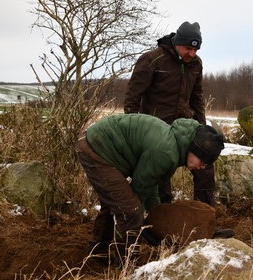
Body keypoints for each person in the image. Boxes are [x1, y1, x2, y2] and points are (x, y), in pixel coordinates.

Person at [75, 113, 224, 264]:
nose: (203, 166)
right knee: (130, 210)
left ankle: (97, 254)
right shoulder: (166, 152)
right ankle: (127, 264)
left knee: (117, 203)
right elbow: (139, 189)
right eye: (204, 161)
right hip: (96, 149)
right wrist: (144, 225)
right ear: (195, 150)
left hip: (96, 144)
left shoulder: (173, 146)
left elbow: (150, 183)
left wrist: (155, 217)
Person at [123, 21, 217, 206]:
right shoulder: (152, 60)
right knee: (160, 177)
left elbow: (197, 98)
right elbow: (132, 97)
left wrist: (203, 129)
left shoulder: (196, 63)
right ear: (177, 42)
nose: (192, 53)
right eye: (188, 48)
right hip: (155, 130)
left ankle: (205, 215)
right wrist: (132, 131)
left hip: (185, 128)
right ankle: (161, 220)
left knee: (205, 163)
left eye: (196, 50)